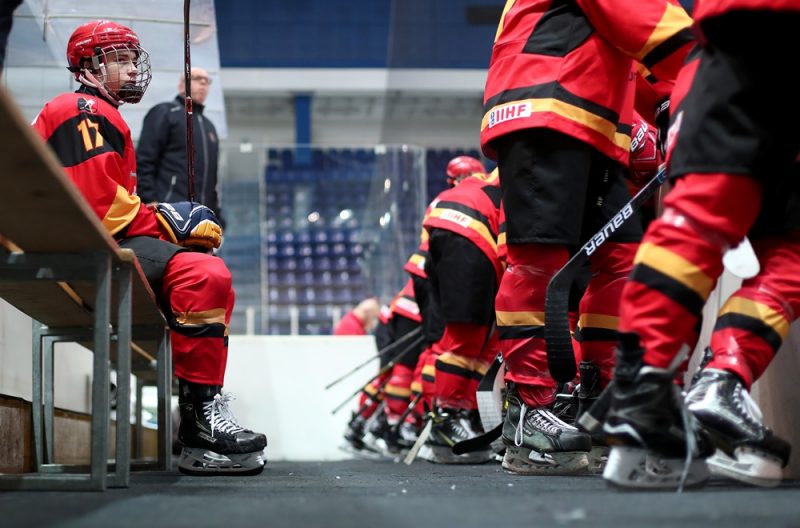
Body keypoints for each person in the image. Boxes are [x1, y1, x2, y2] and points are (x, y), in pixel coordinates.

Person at [31, 20, 266, 476]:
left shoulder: (97, 111)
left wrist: (165, 226)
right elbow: (99, 207)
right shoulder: (82, 108)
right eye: (117, 59)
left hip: (95, 248)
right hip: (86, 253)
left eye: (131, 58)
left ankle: (201, 413)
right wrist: (169, 221)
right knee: (204, 274)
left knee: (208, 276)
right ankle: (199, 423)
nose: (131, 68)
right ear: (86, 66)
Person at [480, 0, 694, 475]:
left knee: (621, 259)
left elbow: (645, 71)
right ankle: (528, 410)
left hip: (593, 123)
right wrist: (720, 71)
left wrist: (669, 107)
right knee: (538, 261)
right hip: (546, 105)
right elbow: (650, 23)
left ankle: (602, 404)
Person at [602, 0, 800, 489]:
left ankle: (656, 389)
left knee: (703, 220)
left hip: (726, 43)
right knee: (785, 248)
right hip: (747, 38)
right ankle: (697, 380)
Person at [416, 164, 503, 464]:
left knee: (475, 339)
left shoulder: (461, 190)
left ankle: (455, 415)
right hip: (471, 235)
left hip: (452, 236)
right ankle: (448, 417)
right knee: (467, 337)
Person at [136, 66, 222, 220]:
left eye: (206, 81)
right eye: (197, 79)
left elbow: (212, 179)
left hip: (202, 218)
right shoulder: (165, 112)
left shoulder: (210, 127)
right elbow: (144, 160)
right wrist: (149, 200)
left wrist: (217, 216)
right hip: (168, 212)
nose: (203, 84)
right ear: (181, 85)